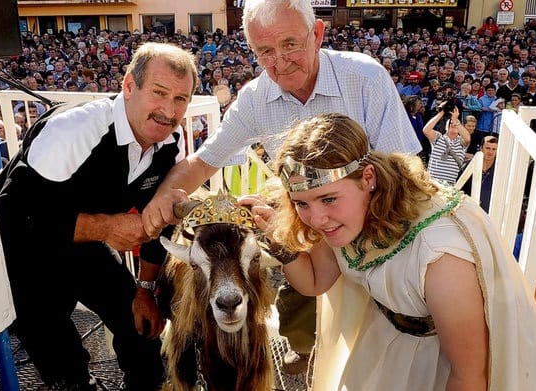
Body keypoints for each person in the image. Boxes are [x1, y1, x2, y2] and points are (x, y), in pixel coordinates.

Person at [141, 0, 420, 374]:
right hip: (315, 230)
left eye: (290, 44)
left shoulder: (367, 79)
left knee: (387, 345)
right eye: (265, 51)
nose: (279, 61)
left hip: (379, 226)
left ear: (317, 34)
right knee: (311, 300)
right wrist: (164, 196)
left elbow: (402, 175)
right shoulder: (256, 98)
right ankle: (305, 344)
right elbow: (203, 161)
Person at [245, 112, 536, 390]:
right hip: (384, 347)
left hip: (434, 371)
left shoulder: (440, 256)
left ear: (368, 178)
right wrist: (277, 238)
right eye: (301, 204)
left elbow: (469, 374)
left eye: (328, 199)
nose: (316, 219)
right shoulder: (348, 215)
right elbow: (315, 281)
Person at [0, 43, 197, 390]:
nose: (168, 111)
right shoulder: (72, 130)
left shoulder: (169, 143)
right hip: (21, 256)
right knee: (67, 371)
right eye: (159, 93)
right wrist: (108, 226)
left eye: (181, 99)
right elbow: (9, 219)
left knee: (144, 339)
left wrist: (145, 290)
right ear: (129, 86)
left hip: (82, 247)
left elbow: (161, 221)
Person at [423, 104, 470, 185]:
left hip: (449, 185)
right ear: (445, 127)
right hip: (432, 182)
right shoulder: (438, 137)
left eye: (455, 123)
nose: (453, 124)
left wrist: (455, 120)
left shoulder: (461, 142)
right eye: (450, 123)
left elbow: (467, 139)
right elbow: (426, 130)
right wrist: (442, 112)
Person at [461, 135, 498, 212]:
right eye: (487, 148)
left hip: (491, 213)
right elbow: (460, 189)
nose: (490, 152)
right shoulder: (469, 165)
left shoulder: (500, 169)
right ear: (481, 148)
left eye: (494, 149)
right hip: (469, 211)